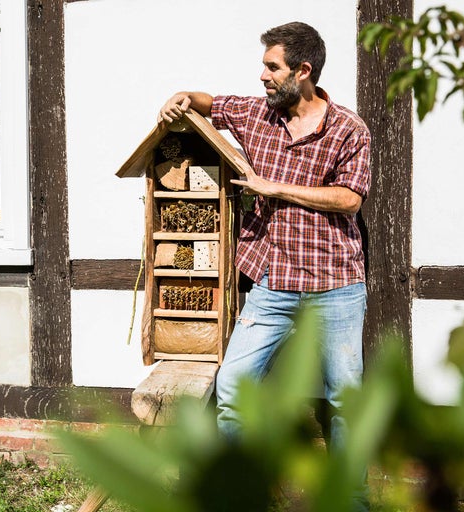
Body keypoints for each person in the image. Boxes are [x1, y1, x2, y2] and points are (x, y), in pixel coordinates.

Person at [158, 21, 371, 508]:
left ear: (303, 70)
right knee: (234, 387)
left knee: (346, 401)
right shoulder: (257, 113)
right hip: (273, 282)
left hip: (335, 284)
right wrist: (179, 97)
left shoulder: (348, 129)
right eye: (263, 66)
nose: (263, 76)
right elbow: (207, 102)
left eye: (272, 67)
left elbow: (349, 199)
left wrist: (273, 187)